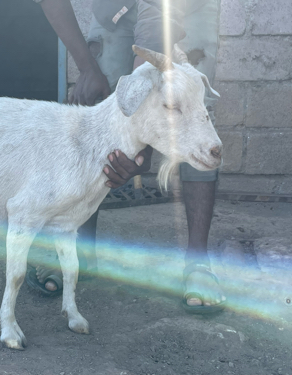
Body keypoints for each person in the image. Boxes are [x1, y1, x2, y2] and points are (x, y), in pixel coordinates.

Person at [27, 0, 226, 313]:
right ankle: (80, 250)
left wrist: (141, 146)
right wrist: (88, 68)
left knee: (191, 109)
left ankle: (198, 264)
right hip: (115, 7)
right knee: (98, 105)